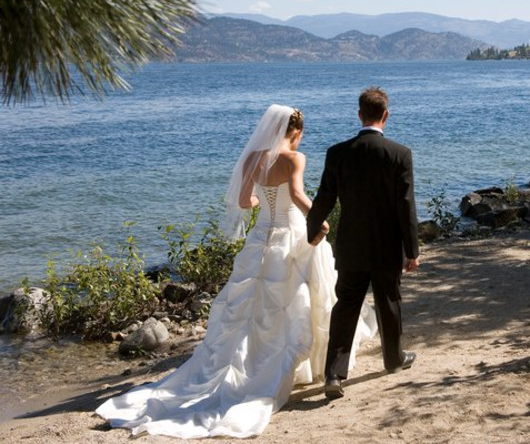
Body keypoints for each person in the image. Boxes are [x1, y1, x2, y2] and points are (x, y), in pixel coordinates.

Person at [95, 105, 376, 438]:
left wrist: (263, 202)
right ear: (295, 132)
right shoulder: (293, 159)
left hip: (262, 235)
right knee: (299, 298)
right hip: (291, 234)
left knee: (250, 306)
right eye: (300, 135)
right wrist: (321, 219)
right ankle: (307, 367)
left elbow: (245, 202)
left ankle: (247, 364)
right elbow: (299, 195)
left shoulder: (253, 157)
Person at [307, 86, 420, 400]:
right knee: (389, 303)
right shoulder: (400, 154)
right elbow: (405, 205)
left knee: (345, 309)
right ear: (385, 115)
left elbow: (324, 198)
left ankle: (333, 374)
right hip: (386, 246)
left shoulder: (338, 153)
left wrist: (312, 230)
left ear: (360, 114)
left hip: (351, 246)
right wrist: (412, 250)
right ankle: (394, 360)